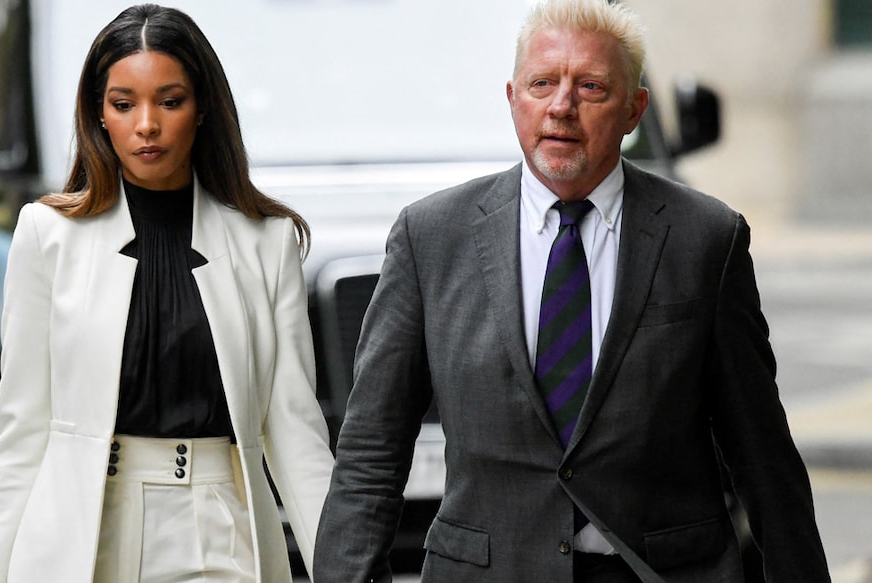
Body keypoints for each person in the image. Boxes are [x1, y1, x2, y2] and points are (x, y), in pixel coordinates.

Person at [313, 0, 830, 581]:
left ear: (635, 109)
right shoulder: (431, 236)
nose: (561, 106)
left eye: (590, 87)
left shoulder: (706, 239)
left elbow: (762, 457)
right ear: (512, 99)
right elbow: (370, 454)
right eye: (542, 84)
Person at [0, 5, 334, 582]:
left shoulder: (266, 240)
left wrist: (345, 568)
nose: (146, 124)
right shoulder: (47, 236)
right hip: (83, 538)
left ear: (203, 108)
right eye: (123, 104)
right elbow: (19, 437)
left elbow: (295, 431)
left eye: (169, 101)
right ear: (99, 113)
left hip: (219, 530)